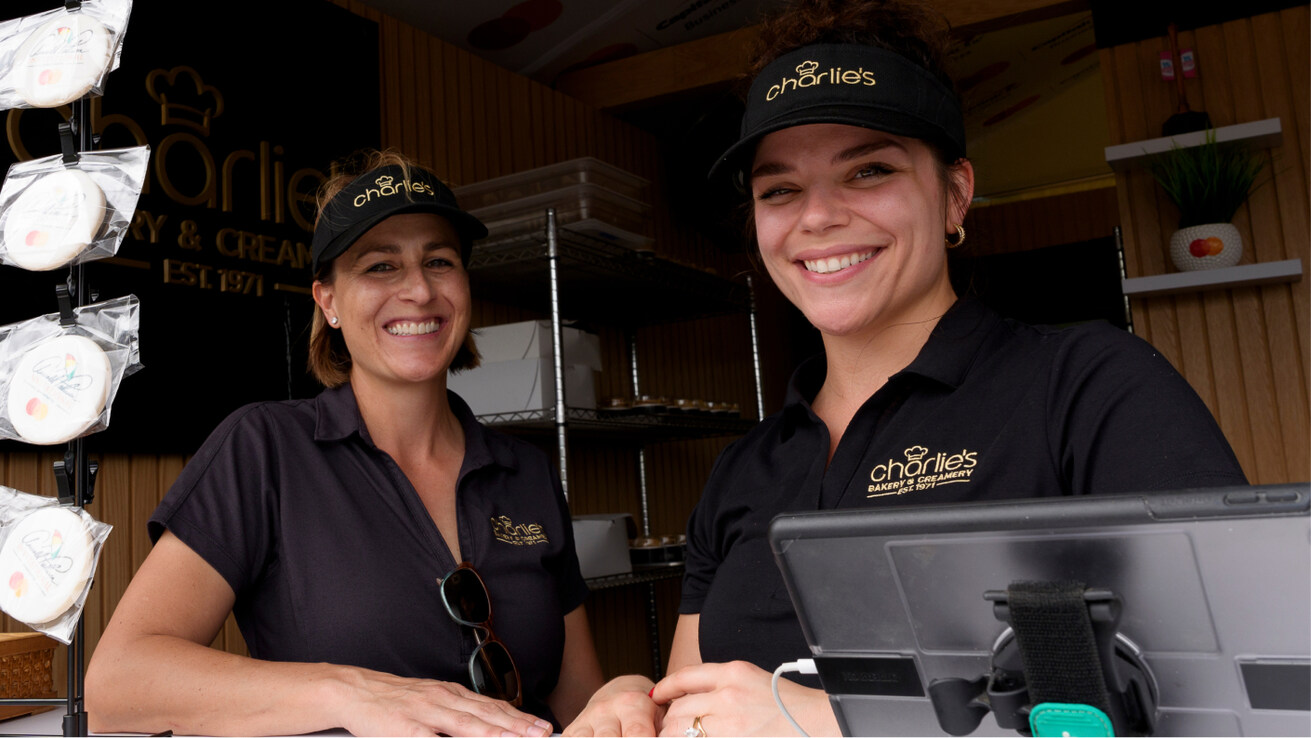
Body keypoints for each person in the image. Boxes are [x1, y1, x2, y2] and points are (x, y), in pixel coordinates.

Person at [563, 0, 1248, 735]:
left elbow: (1228, 704)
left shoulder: (1085, 388)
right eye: (779, 189)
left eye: (868, 170)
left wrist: (835, 725)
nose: (817, 216)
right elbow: (701, 703)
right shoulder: (742, 470)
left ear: (954, 192)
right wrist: (636, 699)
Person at [86, 149, 605, 737]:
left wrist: (630, 698)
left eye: (439, 260)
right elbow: (118, 683)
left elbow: (578, 700)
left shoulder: (527, 472)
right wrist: (351, 693)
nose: (418, 290)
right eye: (380, 266)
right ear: (328, 301)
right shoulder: (265, 449)